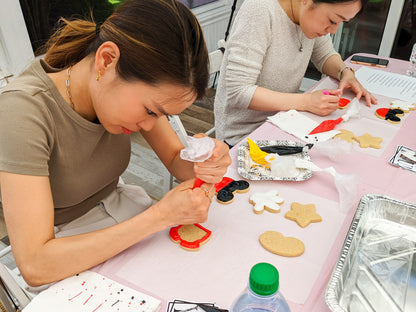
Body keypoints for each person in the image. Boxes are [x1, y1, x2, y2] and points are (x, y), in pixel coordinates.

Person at [0, 0, 231, 287]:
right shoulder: (22, 112)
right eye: (150, 111)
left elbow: (175, 161)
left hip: (123, 212)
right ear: (106, 60)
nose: (150, 125)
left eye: (161, 115)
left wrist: (205, 160)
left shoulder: (122, 88)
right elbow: (36, 264)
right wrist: (160, 216)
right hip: (63, 248)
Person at [214, 0, 378, 147]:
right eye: (333, 20)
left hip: (285, 121)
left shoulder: (305, 15)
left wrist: (345, 72)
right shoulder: (259, 9)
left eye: (342, 22)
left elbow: (325, 54)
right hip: (244, 136)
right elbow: (239, 91)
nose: (334, 31)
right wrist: (306, 102)